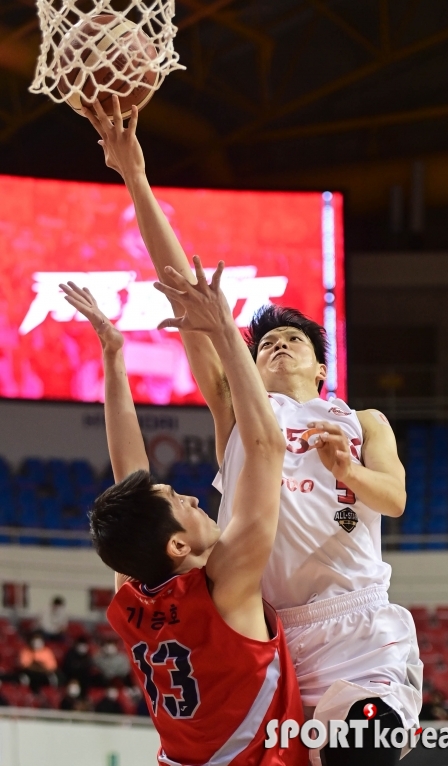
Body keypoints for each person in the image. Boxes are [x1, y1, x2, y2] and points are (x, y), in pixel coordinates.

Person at [84, 97, 423, 765]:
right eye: (266, 341)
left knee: (364, 744)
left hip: (353, 618)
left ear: (321, 366)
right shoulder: (238, 413)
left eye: (294, 339)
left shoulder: (364, 420)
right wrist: (136, 177)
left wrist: (349, 472)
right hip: (266, 623)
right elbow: (185, 291)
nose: (279, 346)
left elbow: (396, 501)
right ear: (251, 363)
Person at [60, 266, 308, 765]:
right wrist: (223, 332)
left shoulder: (134, 596)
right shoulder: (225, 590)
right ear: (177, 545)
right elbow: (265, 445)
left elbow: (128, 473)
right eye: (183, 504)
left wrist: (113, 356)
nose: (195, 499)